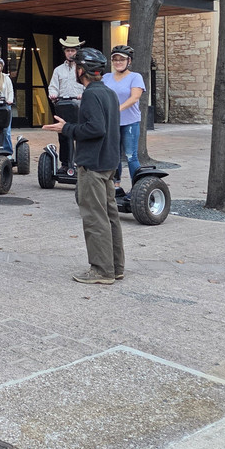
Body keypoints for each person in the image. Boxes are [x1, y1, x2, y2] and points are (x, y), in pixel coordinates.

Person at [42, 47, 124, 285]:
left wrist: (66, 128)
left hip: (93, 165)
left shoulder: (90, 95)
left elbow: (95, 129)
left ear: (81, 70)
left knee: (95, 217)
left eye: (77, 67)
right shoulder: (109, 93)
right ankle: (115, 267)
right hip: (108, 163)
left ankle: (102, 270)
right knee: (110, 216)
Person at [105, 44, 145, 193]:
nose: (118, 62)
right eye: (115, 59)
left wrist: (117, 109)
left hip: (130, 122)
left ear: (129, 61)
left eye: (121, 59)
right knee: (114, 155)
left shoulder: (135, 77)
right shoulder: (106, 77)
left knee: (130, 156)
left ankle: (138, 188)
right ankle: (115, 186)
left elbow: (135, 97)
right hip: (112, 122)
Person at [48, 35, 86, 173]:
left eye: (73, 50)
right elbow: (53, 86)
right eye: (68, 50)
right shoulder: (58, 70)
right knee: (63, 135)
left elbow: (88, 85)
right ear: (64, 52)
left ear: (77, 51)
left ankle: (80, 163)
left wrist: (84, 94)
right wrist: (53, 94)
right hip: (64, 107)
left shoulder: (83, 68)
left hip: (80, 107)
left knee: (80, 135)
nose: (70, 53)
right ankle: (65, 164)